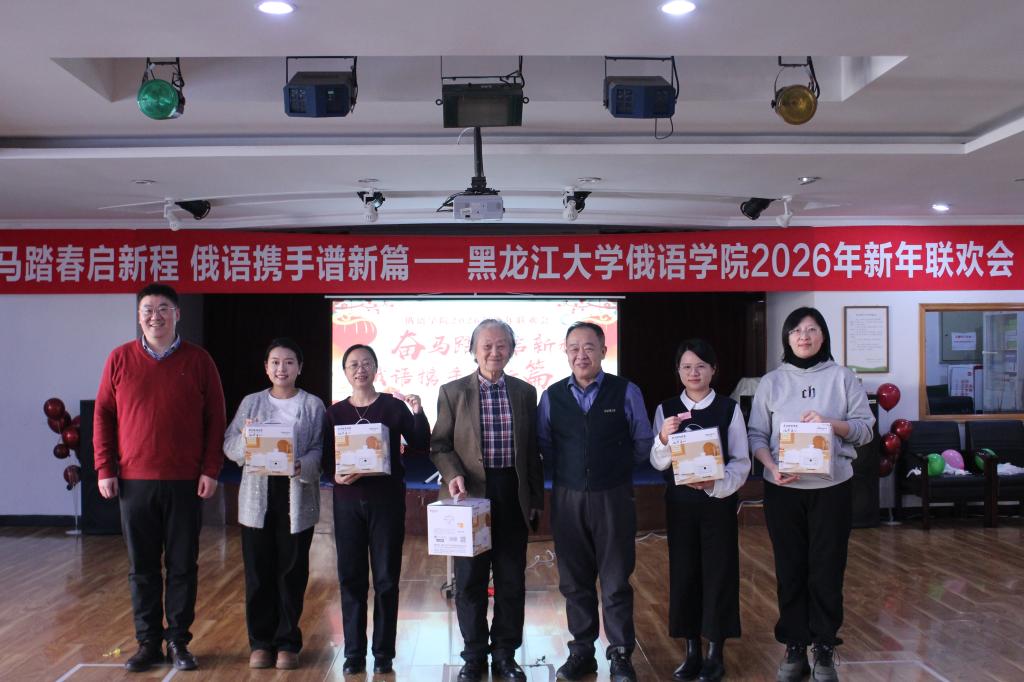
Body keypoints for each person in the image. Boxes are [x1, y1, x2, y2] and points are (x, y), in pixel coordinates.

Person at [93, 283, 226, 673]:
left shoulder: (199, 360)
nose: (156, 316)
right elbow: (103, 415)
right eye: (148, 310)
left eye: (164, 308)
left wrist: (210, 469)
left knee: (183, 565)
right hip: (134, 481)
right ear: (139, 317)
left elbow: (216, 418)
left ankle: (178, 641)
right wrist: (104, 468)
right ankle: (148, 642)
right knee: (142, 567)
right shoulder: (119, 359)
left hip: (186, 480)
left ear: (177, 314)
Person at [747, 307, 874, 682]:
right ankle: (794, 645)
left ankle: (824, 646)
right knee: (789, 569)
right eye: (796, 331)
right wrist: (771, 467)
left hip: (832, 490)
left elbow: (865, 429)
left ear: (823, 335)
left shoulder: (843, 377)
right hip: (783, 489)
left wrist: (831, 424)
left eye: (812, 329)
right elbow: (756, 435)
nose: (804, 336)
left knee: (827, 568)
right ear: (787, 338)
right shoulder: (771, 382)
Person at [538, 321, 655, 682]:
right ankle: (582, 652)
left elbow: (643, 442)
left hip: (613, 496)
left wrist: (612, 469)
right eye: (573, 348)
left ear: (604, 351)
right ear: (566, 352)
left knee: (616, 579)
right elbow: (545, 445)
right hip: (568, 498)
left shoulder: (626, 391)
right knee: (574, 580)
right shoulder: (552, 396)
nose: (581, 354)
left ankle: (620, 654)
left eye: (589, 347)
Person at [430, 320, 543, 682]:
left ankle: (505, 654)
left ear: (512, 350)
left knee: (511, 580)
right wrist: (453, 474)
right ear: (473, 351)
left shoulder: (525, 392)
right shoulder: (453, 392)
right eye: (487, 346)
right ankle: (474, 654)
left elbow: (532, 451)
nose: (495, 352)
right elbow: (439, 445)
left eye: (502, 345)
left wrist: (535, 499)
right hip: (470, 496)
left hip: (512, 492)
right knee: (469, 581)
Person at [649, 339, 751, 682]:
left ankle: (715, 651)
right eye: (687, 367)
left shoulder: (728, 409)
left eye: (701, 366)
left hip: (717, 505)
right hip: (680, 506)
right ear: (678, 371)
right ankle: (691, 650)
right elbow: (657, 461)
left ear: (713, 370)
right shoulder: (666, 409)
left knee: (719, 573)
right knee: (685, 573)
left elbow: (741, 462)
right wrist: (664, 439)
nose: (694, 373)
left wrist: (714, 485)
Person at [326, 344, 430, 676]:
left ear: (375, 368)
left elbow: (419, 442)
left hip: (386, 502)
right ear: (345, 371)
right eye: (353, 365)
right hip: (347, 504)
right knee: (351, 579)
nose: (360, 369)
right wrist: (334, 475)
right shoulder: (335, 413)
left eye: (366, 363)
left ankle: (383, 653)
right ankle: (354, 653)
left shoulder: (392, 406)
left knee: (386, 579)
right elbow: (326, 459)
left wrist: (418, 413)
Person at [222, 338, 326, 671]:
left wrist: (302, 465)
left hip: (296, 495)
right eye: (276, 362)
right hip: (257, 498)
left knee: (292, 573)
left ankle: (287, 643)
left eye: (289, 362)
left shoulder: (312, 405)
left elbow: (321, 450)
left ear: (300, 368)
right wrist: (247, 439)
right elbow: (229, 445)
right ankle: (260, 643)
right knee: (258, 573)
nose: (282, 368)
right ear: (266, 368)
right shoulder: (251, 403)